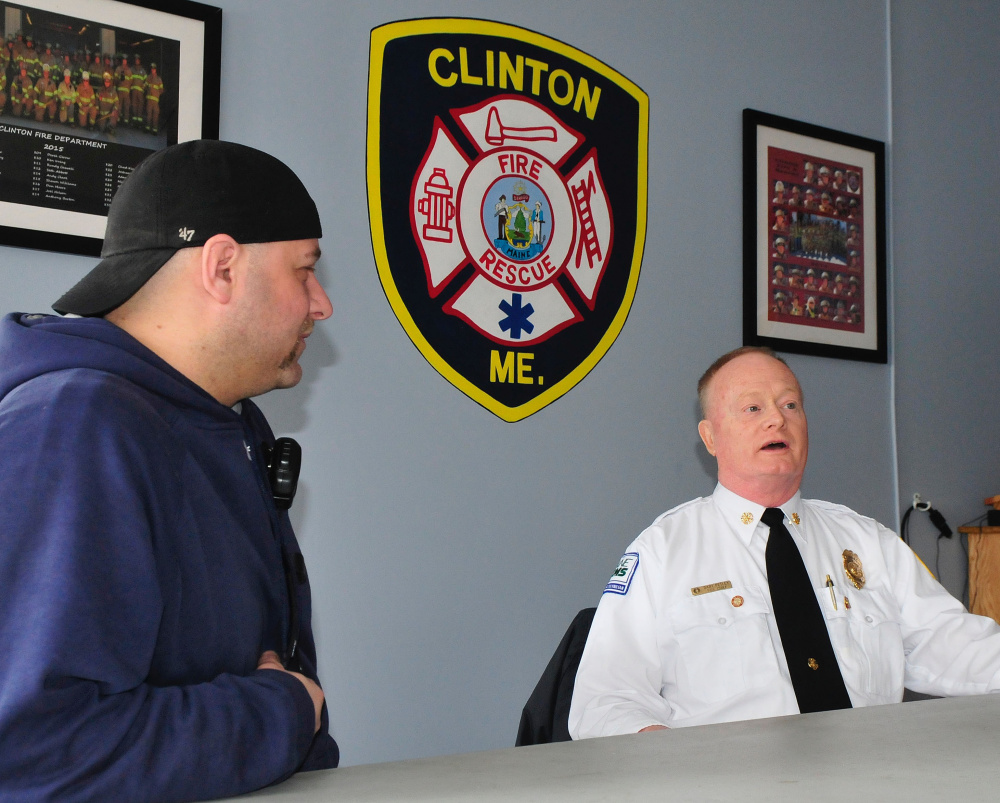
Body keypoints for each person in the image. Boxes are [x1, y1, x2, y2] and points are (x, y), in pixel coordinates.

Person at [0, 140, 339, 801]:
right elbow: (32, 752)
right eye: (304, 271)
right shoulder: (78, 426)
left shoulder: (224, 424)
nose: (320, 303)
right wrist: (281, 711)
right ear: (222, 267)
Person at [569, 346, 1000, 739]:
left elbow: (954, 645)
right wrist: (674, 765)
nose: (777, 419)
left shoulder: (869, 542)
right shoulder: (663, 550)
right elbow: (604, 701)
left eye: (790, 405)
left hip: (872, 772)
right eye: (753, 408)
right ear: (710, 438)